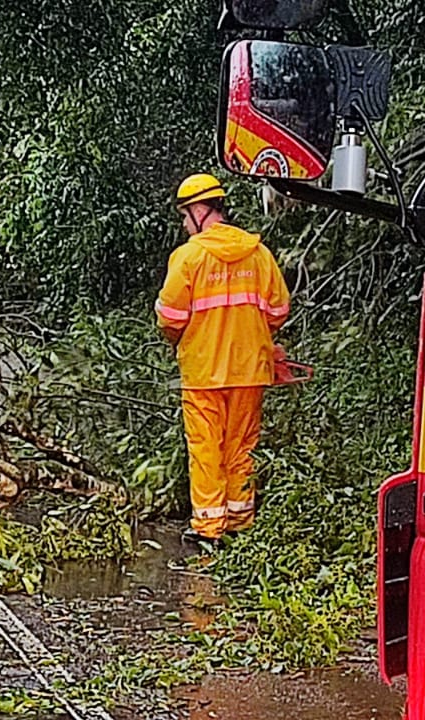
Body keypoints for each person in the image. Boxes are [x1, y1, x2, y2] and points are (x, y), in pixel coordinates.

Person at [156, 173, 290, 543]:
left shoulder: (189, 257)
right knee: (241, 449)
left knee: (205, 449)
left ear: (200, 210)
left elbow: (169, 318)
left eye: (185, 215)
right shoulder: (258, 254)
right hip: (250, 371)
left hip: (203, 373)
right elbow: (279, 310)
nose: (185, 224)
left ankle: (209, 530)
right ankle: (240, 525)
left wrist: (185, 338)